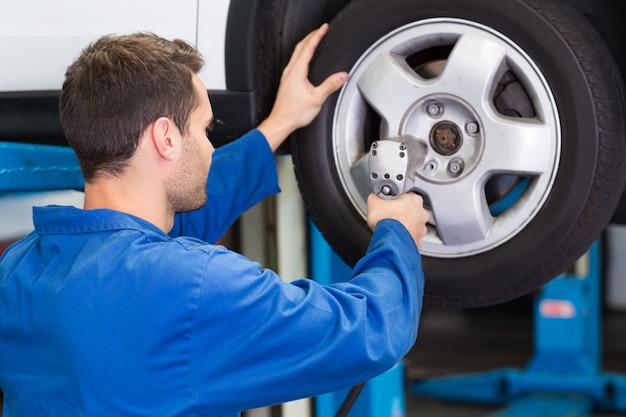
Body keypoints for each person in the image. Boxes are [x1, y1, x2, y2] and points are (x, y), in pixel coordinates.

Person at [0, 24, 429, 417]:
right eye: (205, 129)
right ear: (165, 137)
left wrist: (279, 124)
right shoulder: (194, 286)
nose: (209, 147)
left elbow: (143, 247)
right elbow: (372, 329)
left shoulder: (19, 272)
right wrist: (397, 233)